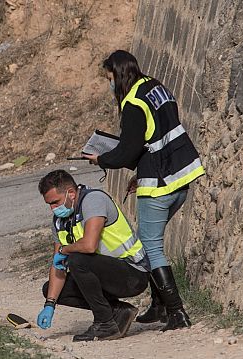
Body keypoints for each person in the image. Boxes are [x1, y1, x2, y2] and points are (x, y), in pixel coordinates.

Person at [84, 50, 206, 331]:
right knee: (145, 241)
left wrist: (100, 158)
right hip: (180, 177)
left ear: (119, 74)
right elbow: (157, 138)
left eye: (110, 78)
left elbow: (127, 152)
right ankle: (159, 305)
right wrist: (141, 171)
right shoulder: (155, 87)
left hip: (159, 185)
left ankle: (177, 313)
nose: (109, 85)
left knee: (149, 247)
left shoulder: (133, 103)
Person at [35, 170, 149, 341]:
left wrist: (64, 251)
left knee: (77, 259)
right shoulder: (59, 221)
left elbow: (89, 246)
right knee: (51, 289)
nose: (52, 208)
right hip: (105, 274)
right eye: (49, 204)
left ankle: (104, 323)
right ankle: (117, 311)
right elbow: (57, 266)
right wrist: (49, 304)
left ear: (71, 194)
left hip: (132, 273)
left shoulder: (93, 200)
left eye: (55, 202)